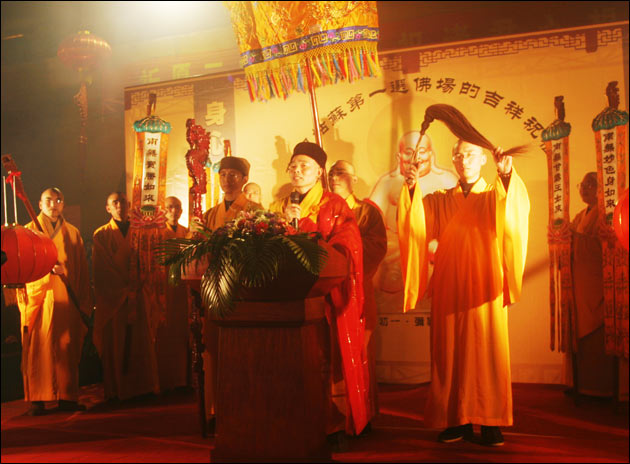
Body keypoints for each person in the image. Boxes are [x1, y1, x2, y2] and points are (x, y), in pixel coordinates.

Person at [398, 139, 530, 446]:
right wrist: (412, 188)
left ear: (483, 159)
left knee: (489, 351)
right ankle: (456, 419)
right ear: (453, 160)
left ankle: (490, 420)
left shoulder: (494, 195)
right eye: (458, 155)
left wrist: (507, 176)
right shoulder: (440, 200)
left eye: (470, 154)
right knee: (450, 351)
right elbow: (416, 223)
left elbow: (514, 213)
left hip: (486, 285)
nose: (463, 160)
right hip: (450, 283)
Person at [270, 142, 370, 443]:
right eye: (293, 166)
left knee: (324, 360)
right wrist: (285, 224)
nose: (297, 171)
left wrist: (312, 238)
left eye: (305, 166)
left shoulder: (334, 205)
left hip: (324, 299)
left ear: (319, 172)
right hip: (288, 299)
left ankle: (331, 422)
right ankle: (291, 420)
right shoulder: (278, 206)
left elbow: (348, 247)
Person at [197, 156, 262, 425]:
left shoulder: (256, 211)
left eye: (233, 174)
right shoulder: (210, 214)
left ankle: (246, 408)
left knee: (244, 351)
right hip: (215, 292)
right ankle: (216, 410)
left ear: (244, 179)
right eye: (223, 174)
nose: (227, 179)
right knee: (215, 350)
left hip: (243, 294)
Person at [18, 187, 92, 415]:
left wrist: (66, 273)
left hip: (65, 299)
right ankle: (37, 399)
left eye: (58, 200)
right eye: (48, 200)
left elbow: (81, 271)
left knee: (66, 347)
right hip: (38, 300)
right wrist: (44, 270)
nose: (53, 204)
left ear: (63, 204)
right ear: (40, 204)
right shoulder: (28, 232)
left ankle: (67, 396)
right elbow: (20, 269)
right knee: (38, 348)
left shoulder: (73, 233)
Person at [369, 131, 457, 309]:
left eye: (422, 151)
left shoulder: (447, 180)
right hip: (399, 250)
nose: (416, 157)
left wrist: (435, 245)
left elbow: (458, 222)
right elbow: (371, 222)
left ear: (431, 154)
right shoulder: (387, 182)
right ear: (399, 156)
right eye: (409, 152)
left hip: (438, 251)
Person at [328, 160, 387, 423]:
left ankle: (360, 415)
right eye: (332, 173)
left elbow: (377, 247)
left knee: (359, 353)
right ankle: (334, 417)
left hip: (357, 291)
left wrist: (345, 250)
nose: (335, 177)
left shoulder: (366, 212)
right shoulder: (322, 209)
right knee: (331, 356)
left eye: (341, 173)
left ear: (354, 179)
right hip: (327, 293)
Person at [92, 192, 160, 401]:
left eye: (123, 202)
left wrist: (139, 283)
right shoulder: (101, 235)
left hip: (138, 295)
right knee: (117, 343)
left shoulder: (140, 231)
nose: (119, 205)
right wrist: (124, 289)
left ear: (129, 205)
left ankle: (143, 388)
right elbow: (101, 269)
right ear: (108, 208)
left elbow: (150, 260)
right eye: (115, 202)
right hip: (115, 300)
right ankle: (118, 390)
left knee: (141, 342)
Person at [562, 172, 615, 397]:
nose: (584, 189)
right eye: (582, 185)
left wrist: (573, 238)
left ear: (602, 189)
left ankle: (600, 388)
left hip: (596, 284)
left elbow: (606, 247)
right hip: (579, 283)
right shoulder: (580, 216)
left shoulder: (607, 215)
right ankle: (579, 384)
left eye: (590, 184)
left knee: (597, 332)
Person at [155, 196, 190, 392]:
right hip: (164, 288)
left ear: (182, 210)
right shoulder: (157, 232)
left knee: (182, 332)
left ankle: (183, 380)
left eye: (177, 207)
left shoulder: (186, 232)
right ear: (163, 210)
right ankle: (165, 380)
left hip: (182, 289)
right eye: (169, 207)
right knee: (165, 332)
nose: (174, 211)